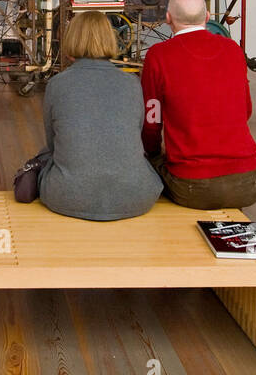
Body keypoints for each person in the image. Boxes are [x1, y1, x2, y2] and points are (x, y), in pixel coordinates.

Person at [25, 11, 162, 220]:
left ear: (72, 39)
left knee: (46, 155)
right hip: (136, 196)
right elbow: (136, 135)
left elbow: (53, 144)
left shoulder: (58, 84)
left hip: (67, 196)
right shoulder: (131, 84)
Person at [140, 0, 256, 210]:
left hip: (190, 187)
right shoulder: (233, 50)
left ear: (168, 18)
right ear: (207, 16)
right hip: (251, 183)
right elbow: (246, 110)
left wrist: (151, 153)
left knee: (150, 163)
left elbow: (152, 121)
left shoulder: (158, 55)